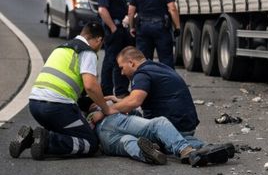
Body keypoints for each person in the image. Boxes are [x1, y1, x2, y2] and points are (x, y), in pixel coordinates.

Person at [9, 23, 117, 159]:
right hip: (57, 108)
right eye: (101, 45)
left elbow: (74, 89)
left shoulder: (61, 48)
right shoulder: (87, 52)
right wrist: (106, 108)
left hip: (35, 105)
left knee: (68, 133)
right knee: (90, 143)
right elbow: (90, 86)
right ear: (99, 40)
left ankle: (31, 138)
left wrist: (96, 101)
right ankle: (48, 141)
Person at [110, 46, 203, 146]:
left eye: (122, 68)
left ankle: (188, 144)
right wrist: (119, 101)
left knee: (124, 132)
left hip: (175, 127)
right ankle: (188, 142)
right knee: (133, 114)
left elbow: (134, 101)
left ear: (131, 63)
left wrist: (108, 109)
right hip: (186, 125)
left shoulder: (141, 74)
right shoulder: (156, 67)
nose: (122, 73)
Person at [90, 110, 232, 166]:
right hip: (110, 119)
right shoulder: (102, 103)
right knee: (159, 124)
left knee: (128, 142)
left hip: (103, 141)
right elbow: (134, 111)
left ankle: (148, 155)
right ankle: (190, 149)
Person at [128, 0, 180, 68]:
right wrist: (177, 27)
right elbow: (172, 9)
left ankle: (144, 81)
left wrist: (131, 27)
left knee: (143, 60)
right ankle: (167, 82)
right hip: (161, 28)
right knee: (166, 60)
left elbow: (131, 12)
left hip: (143, 28)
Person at [98, 0, 132, 96]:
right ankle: (106, 91)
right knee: (110, 61)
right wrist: (112, 27)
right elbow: (102, 10)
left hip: (121, 29)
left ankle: (121, 91)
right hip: (113, 31)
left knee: (121, 60)